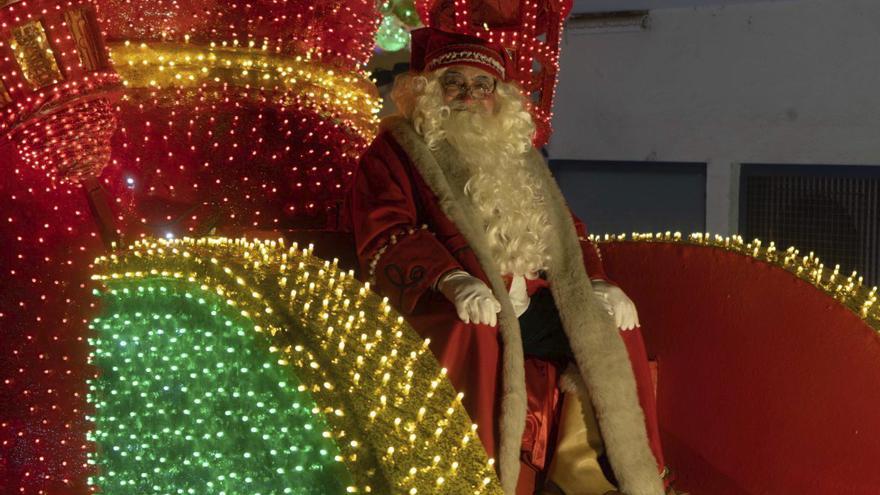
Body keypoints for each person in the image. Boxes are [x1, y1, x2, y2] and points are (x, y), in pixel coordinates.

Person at [347, 27, 668, 495]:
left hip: (530, 297)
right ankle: (465, 482)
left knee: (610, 328)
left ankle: (610, 477)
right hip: (448, 298)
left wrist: (597, 283)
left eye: (483, 85)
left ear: (499, 97)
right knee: (474, 328)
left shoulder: (517, 156)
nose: (469, 95)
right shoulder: (395, 152)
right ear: (429, 90)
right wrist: (451, 278)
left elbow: (566, 230)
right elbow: (388, 229)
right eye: (454, 82)